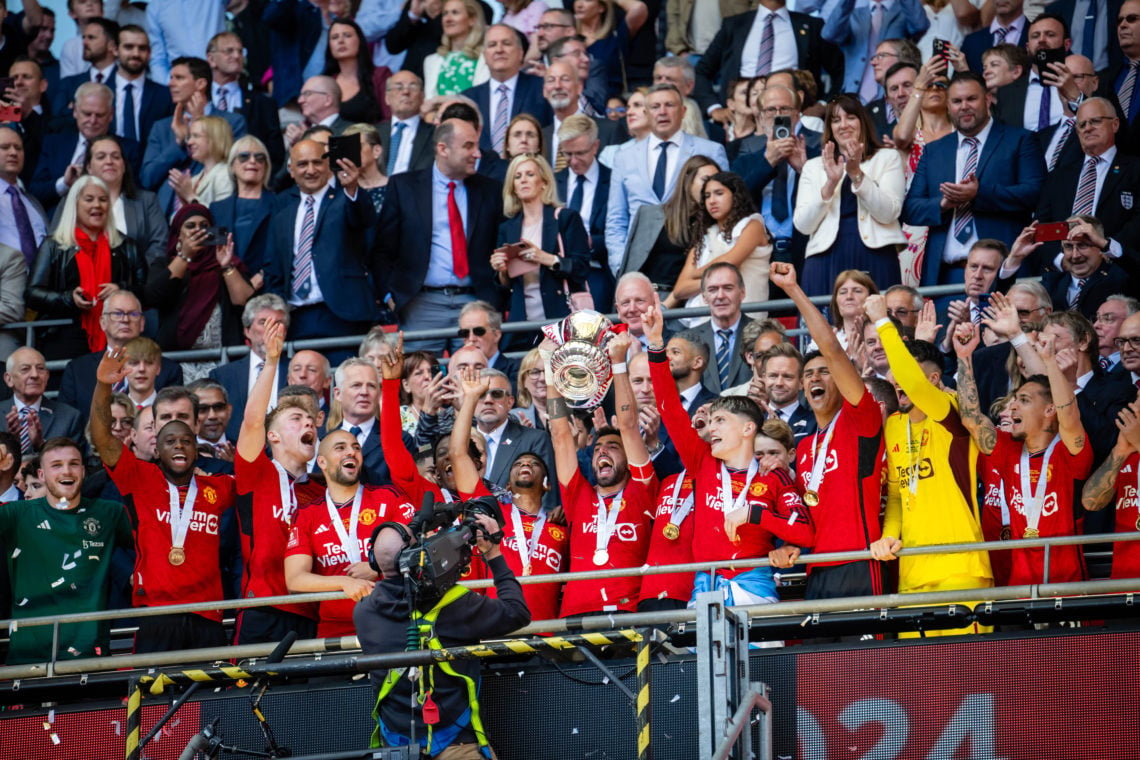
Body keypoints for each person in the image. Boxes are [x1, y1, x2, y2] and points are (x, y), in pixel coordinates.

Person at [643, 299, 813, 607]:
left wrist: (756, 514)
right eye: (711, 421)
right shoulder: (701, 462)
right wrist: (656, 345)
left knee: (760, 658)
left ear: (748, 429)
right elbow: (669, 409)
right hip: (705, 585)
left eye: (721, 421)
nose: (712, 428)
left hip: (755, 585)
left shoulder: (773, 475)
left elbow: (805, 532)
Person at [89, 346, 236, 653]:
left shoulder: (219, 486)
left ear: (197, 447)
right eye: (170, 441)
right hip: (156, 614)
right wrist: (104, 386)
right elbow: (103, 437)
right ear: (157, 445)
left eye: (186, 441)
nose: (179, 446)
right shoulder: (140, 478)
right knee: (154, 700)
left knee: (211, 700)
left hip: (208, 614)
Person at [863, 294, 993, 635]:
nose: (897, 384)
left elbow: (916, 384)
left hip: (961, 568)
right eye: (894, 380)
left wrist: (882, 322)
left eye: (904, 377)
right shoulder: (893, 425)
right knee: (921, 683)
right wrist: (889, 535)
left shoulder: (949, 411)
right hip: (911, 575)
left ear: (934, 380)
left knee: (972, 680)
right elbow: (895, 494)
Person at [355, 508, 529, 758]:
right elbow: (517, 612)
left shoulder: (363, 612)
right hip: (457, 745)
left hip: (396, 748)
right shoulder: (456, 605)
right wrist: (493, 553)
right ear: (415, 556)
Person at [768, 261, 888, 600]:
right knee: (819, 656)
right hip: (816, 568)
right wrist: (790, 544)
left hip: (861, 562)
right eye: (808, 375)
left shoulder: (860, 420)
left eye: (824, 372)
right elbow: (808, 515)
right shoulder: (805, 448)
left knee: (865, 656)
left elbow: (833, 351)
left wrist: (793, 289)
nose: (814, 379)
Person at [953, 319, 1093, 586]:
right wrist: (964, 358)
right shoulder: (1009, 449)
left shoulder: (1069, 452)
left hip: (1068, 587)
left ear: (1050, 410)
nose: (1013, 407)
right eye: (1015, 399)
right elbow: (971, 419)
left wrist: (1050, 361)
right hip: (1020, 588)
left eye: (1024, 401)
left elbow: (1070, 415)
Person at [546, 332, 658, 617]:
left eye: (613, 447)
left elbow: (629, 425)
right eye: (597, 448)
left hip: (629, 612)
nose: (602, 452)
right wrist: (550, 373)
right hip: (575, 616)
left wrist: (619, 364)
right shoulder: (577, 494)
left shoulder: (643, 489)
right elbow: (560, 436)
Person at [901, 72, 1046, 286]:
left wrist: (980, 194)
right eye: (957, 101)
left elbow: (1036, 193)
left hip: (1003, 274)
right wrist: (942, 204)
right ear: (948, 107)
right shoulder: (934, 151)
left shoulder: (1020, 139)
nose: (964, 106)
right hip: (945, 276)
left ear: (987, 99)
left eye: (971, 99)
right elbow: (910, 209)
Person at [375, 118, 504, 355]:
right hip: (421, 304)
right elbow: (382, 248)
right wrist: (390, 296)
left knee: (475, 378)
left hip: (475, 303)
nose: (477, 153)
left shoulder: (490, 190)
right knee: (420, 381)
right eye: (468, 146)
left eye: (477, 146)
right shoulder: (404, 187)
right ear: (443, 149)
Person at [232, 316, 325, 644]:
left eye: (311, 421)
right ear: (272, 435)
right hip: (263, 608)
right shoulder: (255, 472)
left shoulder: (321, 490)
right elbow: (253, 420)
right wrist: (272, 361)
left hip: (312, 613)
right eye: (296, 419)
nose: (308, 425)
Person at [0, 436, 131, 665]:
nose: (66, 471)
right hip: (28, 655)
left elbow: (157, 538)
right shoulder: (17, 514)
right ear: (41, 474)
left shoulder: (109, 514)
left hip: (89, 654)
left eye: (73, 464)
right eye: (57, 465)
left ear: (83, 470)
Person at [451, 366, 567, 621]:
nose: (488, 400)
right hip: (494, 625)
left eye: (496, 393)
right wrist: (469, 399)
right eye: (482, 395)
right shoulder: (491, 510)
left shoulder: (558, 527)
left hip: (546, 629)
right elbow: (458, 454)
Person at [285, 429, 414, 637]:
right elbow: (295, 580)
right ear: (322, 462)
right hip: (335, 632)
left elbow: (421, 549)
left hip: (394, 622)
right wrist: (343, 582)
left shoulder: (389, 497)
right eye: (340, 448)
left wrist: (378, 568)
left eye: (356, 448)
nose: (351, 452)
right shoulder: (307, 514)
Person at [264, 138, 379, 343]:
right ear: (291, 169)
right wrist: (279, 310)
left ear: (328, 166)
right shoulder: (282, 209)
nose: (311, 170)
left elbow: (364, 218)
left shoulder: (346, 197)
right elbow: (274, 267)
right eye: (302, 164)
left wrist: (352, 187)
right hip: (295, 318)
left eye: (317, 162)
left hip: (343, 315)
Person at [605, 83, 728, 271]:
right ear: (646, 112)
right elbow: (616, 219)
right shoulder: (624, 157)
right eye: (655, 107)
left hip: (692, 261)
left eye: (669, 105)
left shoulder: (710, 150)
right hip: (637, 265)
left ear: (683, 111)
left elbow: (723, 211)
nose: (662, 112)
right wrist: (621, 267)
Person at [795, 94, 906, 297]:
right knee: (822, 326)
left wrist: (857, 175)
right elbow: (803, 225)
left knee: (877, 324)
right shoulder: (813, 167)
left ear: (862, 121)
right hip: (823, 259)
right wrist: (830, 183)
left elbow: (889, 213)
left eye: (850, 118)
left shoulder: (888, 158)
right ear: (830, 128)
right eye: (836, 120)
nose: (843, 125)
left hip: (875, 255)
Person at [27, 175, 147, 359]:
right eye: (89, 199)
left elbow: (146, 292)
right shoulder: (53, 246)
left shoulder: (127, 245)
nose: (97, 205)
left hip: (119, 336)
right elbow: (32, 293)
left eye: (103, 199)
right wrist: (68, 299)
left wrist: (121, 290)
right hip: (64, 334)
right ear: (74, 205)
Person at [147, 204, 253, 379]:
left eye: (204, 226)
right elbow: (155, 296)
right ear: (178, 234)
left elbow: (245, 304)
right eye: (190, 226)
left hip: (223, 360)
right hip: (178, 363)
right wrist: (185, 257)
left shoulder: (225, 263)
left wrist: (226, 265)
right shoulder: (165, 264)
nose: (198, 230)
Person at [491, 153, 590, 323]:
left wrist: (544, 258)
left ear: (544, 182)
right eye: (517, 176)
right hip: (522, 324)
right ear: (512, 186)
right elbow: (504, 287)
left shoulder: (565, 218)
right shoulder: (506, 228)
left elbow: (581, 269)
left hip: (561, 316)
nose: (523, 180)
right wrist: (501, 271)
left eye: (530, 174)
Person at [666, 171, 771, 324]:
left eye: (719, 193)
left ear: (735, 195)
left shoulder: (753, 224)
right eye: (707, 196)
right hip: (706, 324)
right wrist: (712, 284)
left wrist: (695, 275)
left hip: (748, 321)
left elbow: (729, 263)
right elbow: (680, 290)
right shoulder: (705, 237)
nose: (712, 201)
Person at [138, 56, 247, 193]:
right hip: (169, 210)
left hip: (213, 202)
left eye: (179, 78)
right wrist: (178, 143)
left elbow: (234, 170)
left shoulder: (232, 122)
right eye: (171, 77)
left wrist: (200, 124)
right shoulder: (162, 127)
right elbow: (147, 179)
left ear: (200, 84)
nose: (171, 83)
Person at [32, 81, 141, 214]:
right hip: (58, 222)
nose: (93, 121)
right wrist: (64, 184)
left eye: (99, 115)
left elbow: (134, 196)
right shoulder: (54, 143)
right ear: (75, 112)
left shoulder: (128, 149)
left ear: (111, 114)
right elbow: (34, 192)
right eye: (87, 114)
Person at [619, 155, 719, 294]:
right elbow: (630, 264)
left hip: (684, 301)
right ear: (688, 181)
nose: (711, 185)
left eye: (716, 181)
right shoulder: (650, 214)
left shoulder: (714, 223)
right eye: (705, 179)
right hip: (643, 296)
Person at [73, 135, 166, 268]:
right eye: (101, 157)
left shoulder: (147, 201)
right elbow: (59, 245)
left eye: (116, 157)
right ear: (89, 168)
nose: (109, 161)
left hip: (136, 284)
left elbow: (159, 246)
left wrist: (135, 277)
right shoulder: (73, 202)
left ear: (123, 166)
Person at [207, 294, 289, 442]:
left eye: (278, 323)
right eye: (263, 322)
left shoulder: (297, 371)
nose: (271, 330)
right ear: (247, 331)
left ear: (285, 332)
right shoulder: (223, 376)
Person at [463, 23, 551, 154]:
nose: (499, 50)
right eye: (492, 45)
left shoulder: (542, 89)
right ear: (485, 56)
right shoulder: (468, 99)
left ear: (521, 53)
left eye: (506, 43)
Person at [555, 114, 613, 310]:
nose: (573, 160)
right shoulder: (552, 183)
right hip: (559, 275)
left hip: (597, 271)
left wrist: (586, 242)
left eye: (580, 153)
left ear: (595, 146)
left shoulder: (613, 181)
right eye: (567, 154)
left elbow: (621, 230)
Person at [206, 30, 285, 172]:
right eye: (229, 51)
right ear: (211, 59)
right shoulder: (199, 99)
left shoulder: (263, 104)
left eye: (240, 52)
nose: (237, 56)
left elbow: (275, 156)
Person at [821, 0, 928, 100]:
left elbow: (920, 26)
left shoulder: (904, 13)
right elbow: (829, 34)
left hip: (893, 95)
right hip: (854, 96)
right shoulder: (854, 15)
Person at [1082, 400, 1140, 579]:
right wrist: (1120, 451)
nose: (1134, 406)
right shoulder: (1126, 453)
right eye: (1137, 398)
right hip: (1123, 580)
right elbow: (1090, 501)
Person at [209, 135, 274, 287]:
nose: (252, 161)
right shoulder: (217, 209)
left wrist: (262, 275)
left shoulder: (280, 205)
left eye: (259, 157)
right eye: (244, 156)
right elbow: (213, 253)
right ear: (232, 165)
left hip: (267, 288)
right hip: (227, 288)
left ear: (266, 166)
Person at [3, 346, 84, 455]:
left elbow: (74, 463)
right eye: (25, 369)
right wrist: (10, 444)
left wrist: (41, 445)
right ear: (9, 379)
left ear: (47, 376)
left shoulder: (70, 418)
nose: (35, 375)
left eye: (40, 368)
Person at [687, 263, 755, 393]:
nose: (720, 296)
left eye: (728, 288)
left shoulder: (765, 335)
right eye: (712, 289)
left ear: (742, 293)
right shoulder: (689, 341)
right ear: (704, 297)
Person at [163, 114, 234, 216]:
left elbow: (222, 216)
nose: (189, 142)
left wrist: (190, 197)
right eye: (190, 137)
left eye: (196, 136)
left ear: (214, 139)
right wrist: (184, 202)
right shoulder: (195, 179)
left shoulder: (225, 175)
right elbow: (177, 222)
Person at [0, 125, 48, 270]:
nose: (13, 152)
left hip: (40, 287)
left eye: (18, 148)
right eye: (5, 147)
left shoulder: (32, 202)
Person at [324, 18, 385, 124]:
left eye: (347, 35)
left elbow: (389, 120)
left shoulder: (380, 75)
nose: (340, 41)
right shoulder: (325, 83)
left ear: (359, 41)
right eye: (334, 37)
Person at [423, 0, 489, 97]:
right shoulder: (431, 61)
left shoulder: (486, 57)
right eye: (445, 14)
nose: (448, 19)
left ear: (472, 20)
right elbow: (429, 101)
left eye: (455, 13)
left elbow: (485, 98)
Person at [380, 71, 434, 176]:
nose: (405, 92)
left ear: (422, 96)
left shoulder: (434, 134)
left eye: (412, 87)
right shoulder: (375, 133)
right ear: (387, 98)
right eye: (398, 88)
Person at [344, 122, 391, 214]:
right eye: (347, 148)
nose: (351, 152)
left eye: (356, 146)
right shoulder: (342, 190)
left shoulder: (394, 188)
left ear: (376, 151)